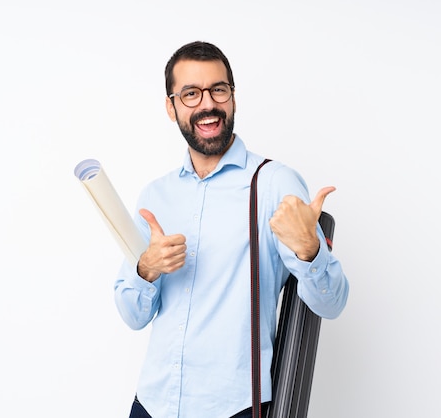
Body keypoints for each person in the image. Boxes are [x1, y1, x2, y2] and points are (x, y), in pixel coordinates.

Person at [114, 41, 349, 418]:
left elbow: (332, 303)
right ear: (171, 107)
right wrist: (147, 269)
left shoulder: (274, 183)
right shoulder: (156, 196)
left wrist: (311, 251)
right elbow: (133, 315)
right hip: (153, 404)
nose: (207, 104)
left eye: (218, 89)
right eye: (190, 93)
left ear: (233, 98)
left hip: (232, 408)